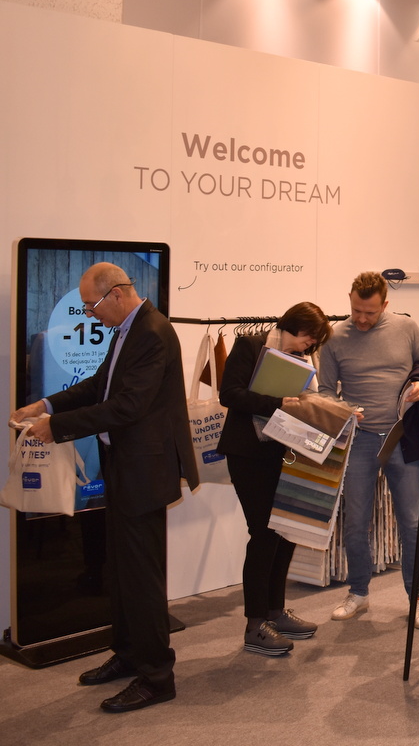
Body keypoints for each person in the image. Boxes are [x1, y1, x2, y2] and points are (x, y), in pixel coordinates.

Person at [9, 263, 199, 714]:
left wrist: (57, 426)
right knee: (121, 571)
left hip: (144, 472)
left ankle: (157, 676)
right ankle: (130, 654)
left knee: (142, 577)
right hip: (124, 466)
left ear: (116, 293)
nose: (89, 314)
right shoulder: (128, 328)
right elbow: (102, 386)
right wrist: (47, 403)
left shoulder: (152, 332)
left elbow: (128, 405)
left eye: (91, 305)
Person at [321, 272, 419, 629]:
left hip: (401, 436)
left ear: (385, 304)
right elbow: (324, 390)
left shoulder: (407, 328)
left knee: (412, 522)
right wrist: (342, 410)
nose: (361, 318)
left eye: (369, 312)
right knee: (355, 521)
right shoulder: (334, 337)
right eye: (356, 310)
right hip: (359, 438)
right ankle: (358, 591)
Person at [216, 302, 332, 656]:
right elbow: (229, 394)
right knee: (264, 534)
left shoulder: (304, 359)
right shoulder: (251, 346)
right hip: (248, 452)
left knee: (286, 531)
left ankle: (275, 612)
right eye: (309, 338)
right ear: (294, 326)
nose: (309, 346)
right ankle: (255, 624)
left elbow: (307, 401)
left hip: (285, 450)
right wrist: (277, 402)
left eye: (314, 342)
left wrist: (335, 412)